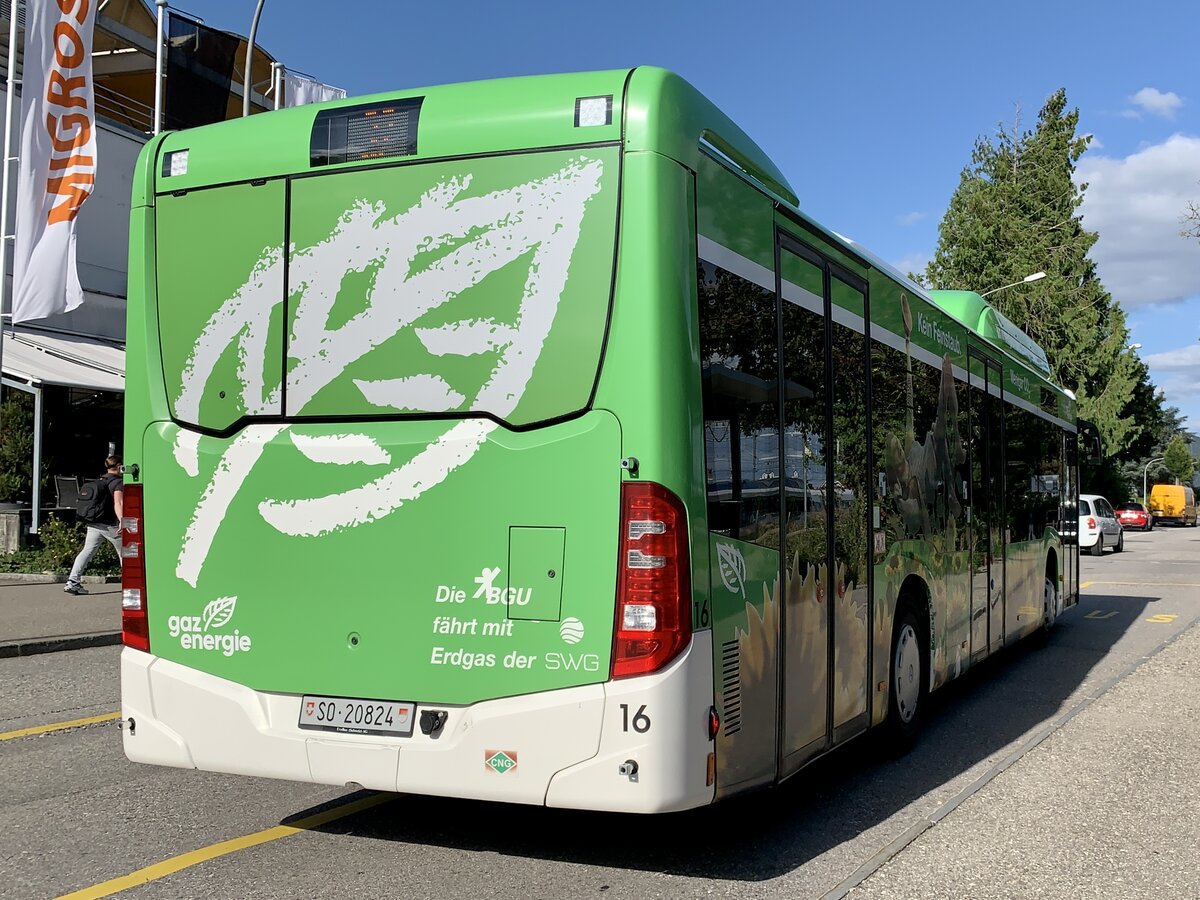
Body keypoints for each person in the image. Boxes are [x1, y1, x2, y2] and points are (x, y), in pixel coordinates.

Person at [64, 455, 124, 596]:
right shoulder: (118, 483)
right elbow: (118, 503)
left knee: (87, 551)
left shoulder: (101, 480)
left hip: (94, 523)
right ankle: (130, 585)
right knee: (126, 553)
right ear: (120, 466)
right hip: (110, 526)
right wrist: (122, 520)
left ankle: (72, 582)